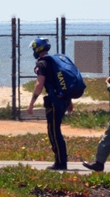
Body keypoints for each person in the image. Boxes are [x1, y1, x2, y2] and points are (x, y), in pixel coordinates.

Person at [26, 37, 79, 170]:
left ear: (37, 49)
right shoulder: (55, 62)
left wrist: (31, 103)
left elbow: (39, 85)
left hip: (54, 101)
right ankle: (60, 160)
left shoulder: (42, 64)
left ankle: (61, 162)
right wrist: (69, 102)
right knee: (55, 130)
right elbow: (61, 82)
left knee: (54, 132)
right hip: (63, 99)